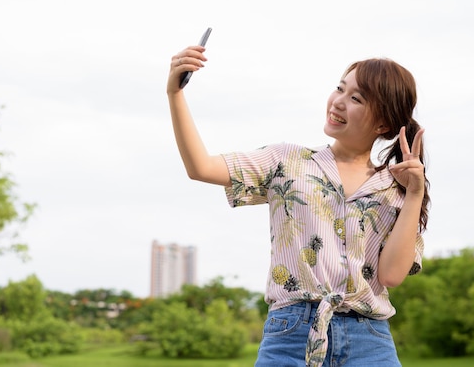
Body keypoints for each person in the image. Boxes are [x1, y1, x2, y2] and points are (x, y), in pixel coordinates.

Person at [166, 44, 430, 367]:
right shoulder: (286, 160)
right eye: (339, 89)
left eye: (356, 99)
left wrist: (415, 195)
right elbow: (201, 167)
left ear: (383, 125)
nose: (338, 102)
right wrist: (175, 94)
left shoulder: (396, 189)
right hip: (291, 333)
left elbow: (390, 275)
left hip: (369, 341)